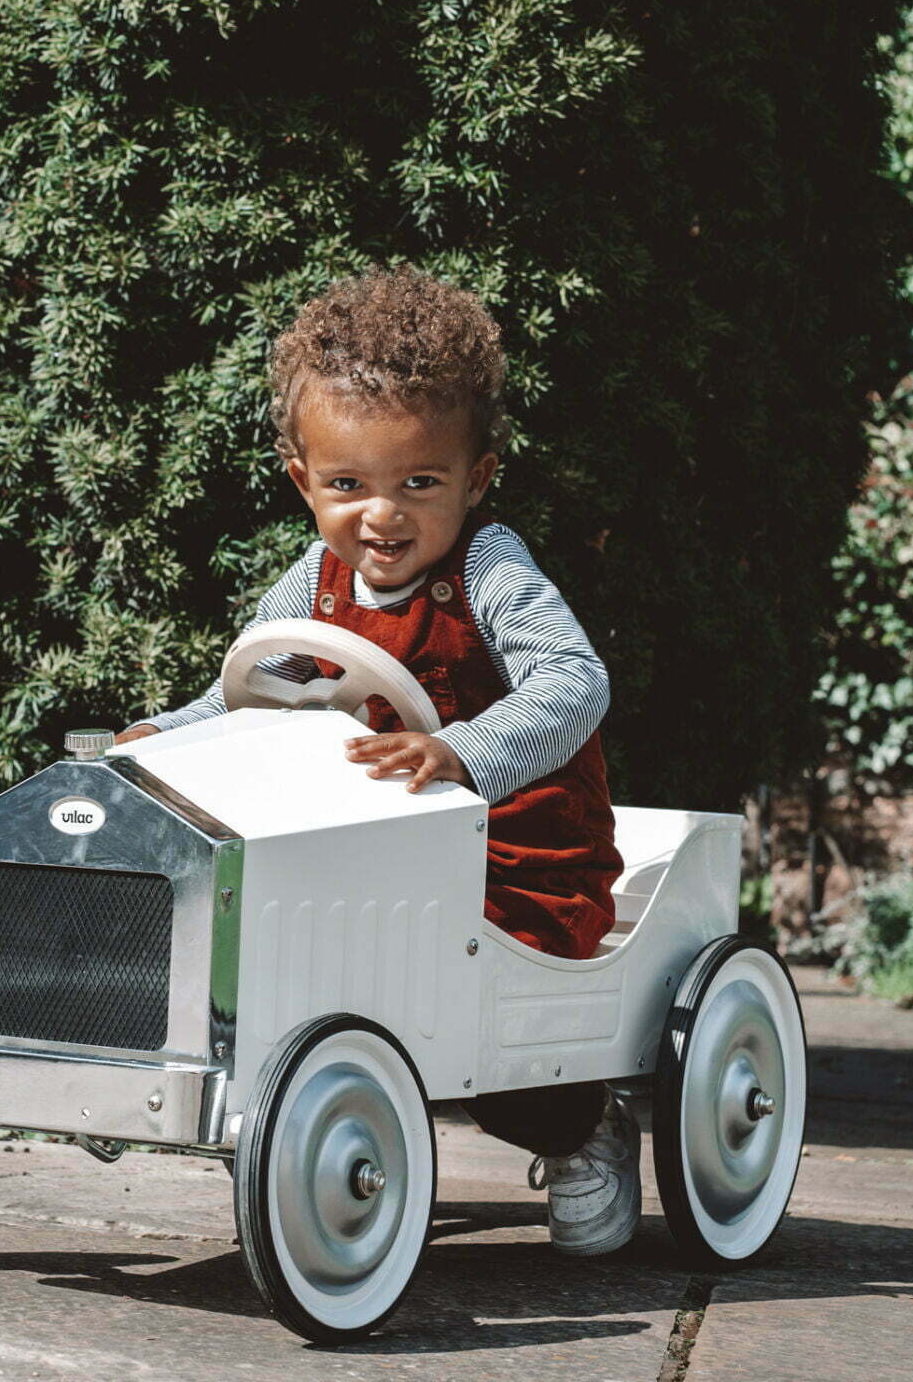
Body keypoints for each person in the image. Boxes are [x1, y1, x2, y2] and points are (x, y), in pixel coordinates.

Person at [115, 265, 638, 1257]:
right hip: (376, 861)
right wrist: (164, 734)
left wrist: (460, 749)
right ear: (301, 481)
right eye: (349, 485)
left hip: (512, 861)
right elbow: (243, 689)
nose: (383, 516)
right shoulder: (312, 582)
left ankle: (581, 1126)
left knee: (492, 1050)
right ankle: (299, 1125)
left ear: (475, 478)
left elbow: (575, 680)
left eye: (419, 484)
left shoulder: (488, 568)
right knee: (274, 963)